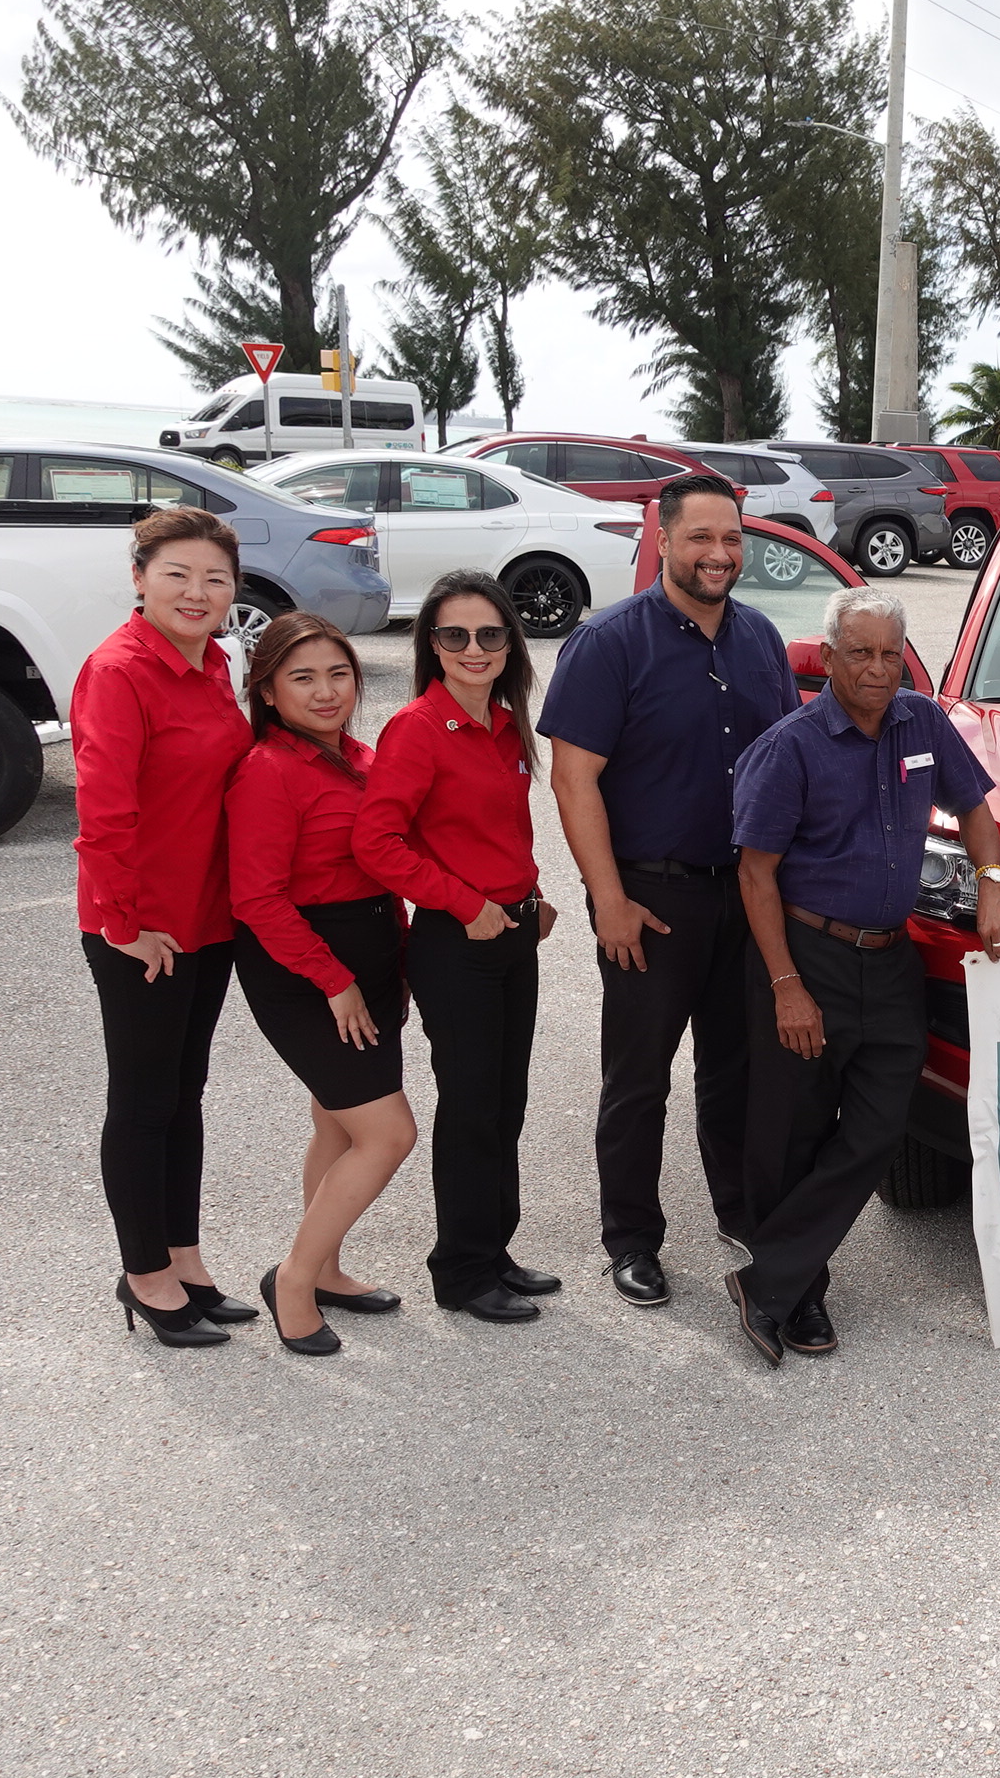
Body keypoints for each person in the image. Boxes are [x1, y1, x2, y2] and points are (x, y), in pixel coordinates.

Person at [723, 588, 1000, 1366]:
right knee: (797, 1129)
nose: (878, 669)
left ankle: (770, 1278)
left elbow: (976, 802)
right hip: (807, 954)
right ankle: (798, 1293)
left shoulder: (921, 722)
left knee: (882, 1126)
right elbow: (755, 878)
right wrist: (787, 986)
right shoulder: (790, 748)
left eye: (890, 652)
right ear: (830, 657)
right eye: (860, 653)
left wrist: (989, 878)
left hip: (891, 958)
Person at [540, 475, 795, 1308]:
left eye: (731, 538)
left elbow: (788, 769)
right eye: (700, 539)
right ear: (664, 540)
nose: (718, 554)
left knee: (736, 1069)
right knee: (639, 1076)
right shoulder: (609, 641)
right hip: (651, 898)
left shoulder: (759, 639)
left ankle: (739, 1211)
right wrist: (607, 899)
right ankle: (631, 1240)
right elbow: (573, 780)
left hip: (746, 895)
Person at [72, 505, 260, 1347]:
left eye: (214, 578)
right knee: (144, 1100)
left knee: (186, 1097)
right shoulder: (118, 671)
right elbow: (103, 813)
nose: (197, 592)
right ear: (139, 577)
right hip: (143, 929)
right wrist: (124, 924)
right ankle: (143, 1273)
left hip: (209, 917)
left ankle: (185, 1260)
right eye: (177, 574)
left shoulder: (216, 663)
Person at [357, 570, 560, 1324]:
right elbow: (375, 841)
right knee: (472, 1106)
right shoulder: (416, 727)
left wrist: (531, 893)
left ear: (510, 641)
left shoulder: (506, 724)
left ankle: (492, 1249)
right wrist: (463, 903)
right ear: (431, 645)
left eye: (489, 634)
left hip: (512, 934)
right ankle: (461, 1272)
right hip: (457, 942)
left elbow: (503, 831)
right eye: (455, 635)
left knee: (506, 1101)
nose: (474, 648)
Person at [226, 613, 416, 1355]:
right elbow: (258, 899)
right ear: (268, 693)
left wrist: (394, 965)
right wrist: (336, 982)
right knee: (388, 1133)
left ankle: (328, 1267)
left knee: (338, 1126)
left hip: (368, 958)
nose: (326, 691)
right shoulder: (267, 771)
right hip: (305, 969)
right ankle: (295, 1280)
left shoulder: (363, 759)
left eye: (339, 673)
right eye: (302, 678)